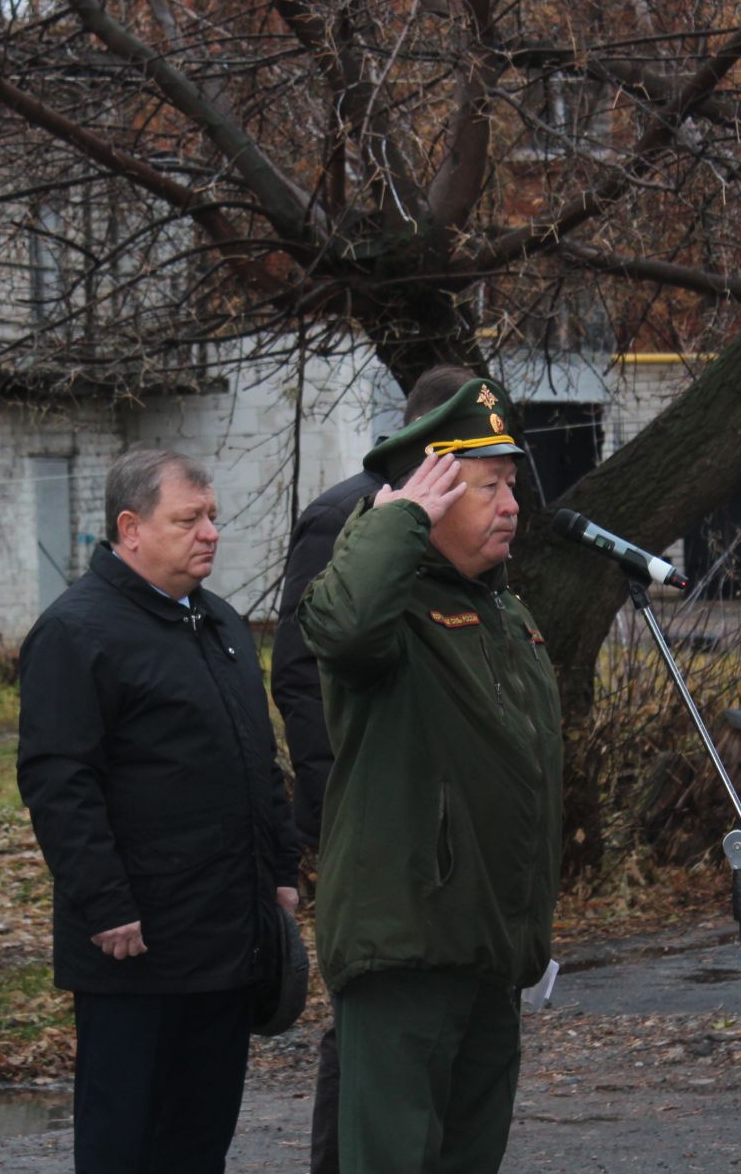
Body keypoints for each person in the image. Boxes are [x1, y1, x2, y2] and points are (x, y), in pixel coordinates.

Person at [298, 376, 563, 1174]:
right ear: (433, 494)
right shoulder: (389, 605)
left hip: (490, 945)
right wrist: (396, 520)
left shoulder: (503, 611)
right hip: (407, 944)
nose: (511, 506)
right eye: (488, 488)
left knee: (468, 1156)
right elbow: (340, 630)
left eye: (511, 486)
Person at [17, 448, 302, 1174]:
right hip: (133, 949)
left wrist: (279, 869)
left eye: (213, 517)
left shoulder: (221, 624)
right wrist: (106, 904)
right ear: (130, 528)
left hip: (224, 939)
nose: (210, 532)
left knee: (198, 1140)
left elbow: (256, 761)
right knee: (125, 1143)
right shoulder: (78, 632)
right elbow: (59, 782)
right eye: (189, 519)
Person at [269, 363, 476, 1174]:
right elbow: (304, 672)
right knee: (363, 1031)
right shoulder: (345, 519)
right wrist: (338, 798)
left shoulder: (459, 528)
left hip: (440, 824)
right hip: (369, 815)